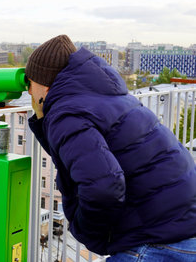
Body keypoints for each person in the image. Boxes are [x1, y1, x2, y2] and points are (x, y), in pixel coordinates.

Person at [26, 35, 196, 261]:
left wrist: (89, 232)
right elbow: (81, 157)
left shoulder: (66, 114)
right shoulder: (109, 97)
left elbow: (103, 187)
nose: (28, 91)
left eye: (30, 83)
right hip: (182, 222)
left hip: (156, 240)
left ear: (44, 83)